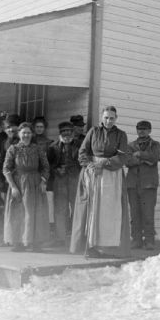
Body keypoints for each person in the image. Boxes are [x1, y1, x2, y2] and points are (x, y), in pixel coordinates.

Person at [70, 106, 130, 258]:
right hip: (92, 174)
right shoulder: (93, 132)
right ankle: (91, 246)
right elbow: (82, 152)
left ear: (116, 118)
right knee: (93, 210)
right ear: (102, 118)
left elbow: (122, 157)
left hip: (112, 175)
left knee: (109, 211)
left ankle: (109, 247)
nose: (108, 120)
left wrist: (103, 163)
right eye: (106, 117)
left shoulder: (121, 135)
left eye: (112, 118)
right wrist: (89, 165)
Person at [3, 122, 51, 252]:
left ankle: (34, 243)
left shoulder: (38, 149)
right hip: (18, 183)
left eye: (28, 133)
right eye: (23, 133)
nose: (26, 135)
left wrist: (43, 181)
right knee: (19, 212)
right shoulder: (13, 149)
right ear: (19, 134)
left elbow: (46, 167)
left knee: (34, 212)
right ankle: (18, 242)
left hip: (35, 183)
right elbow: (6, 169)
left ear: (32, 134)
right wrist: (12, 186)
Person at [126, 120, 160, 250]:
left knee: (148, 214)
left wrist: (140, 154)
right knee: (134, 214)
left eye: (145, 129)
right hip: (132, 184)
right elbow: (128, 161)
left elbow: (155, 157)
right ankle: (136, 240)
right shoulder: (130, 145)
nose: (141, 131)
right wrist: (146, 160)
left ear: (150, 130)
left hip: (149, 184)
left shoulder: (156, 145)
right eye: (139, 128)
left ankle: (149, 241)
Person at [47, 121, 81, 245]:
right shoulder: (53, 147)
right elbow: (48, 164)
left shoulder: (79, 145)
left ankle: (78, 238)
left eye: (69, 131)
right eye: (63, 132)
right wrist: (56, 169)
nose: (66, 134)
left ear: (73, 132)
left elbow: (83, 162)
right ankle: (60, 238)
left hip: (75, 179)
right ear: (60, 133)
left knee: (77, 208)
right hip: (59, 180)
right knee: (60, 209)